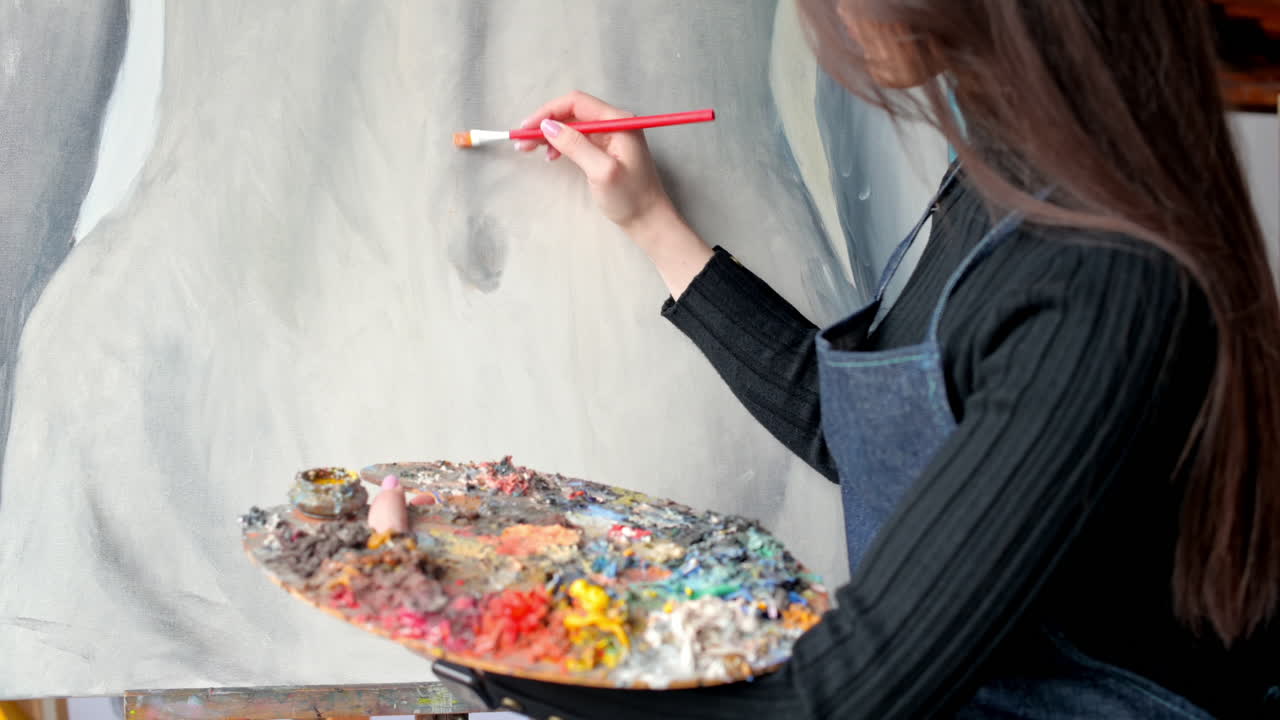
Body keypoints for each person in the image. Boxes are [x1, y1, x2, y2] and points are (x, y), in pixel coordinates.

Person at [431, 1, 1280, 717]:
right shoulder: (998, 180)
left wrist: (505, 641)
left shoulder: (1101, 281)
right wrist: (652, 220)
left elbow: (837, 701)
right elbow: (864, 437)